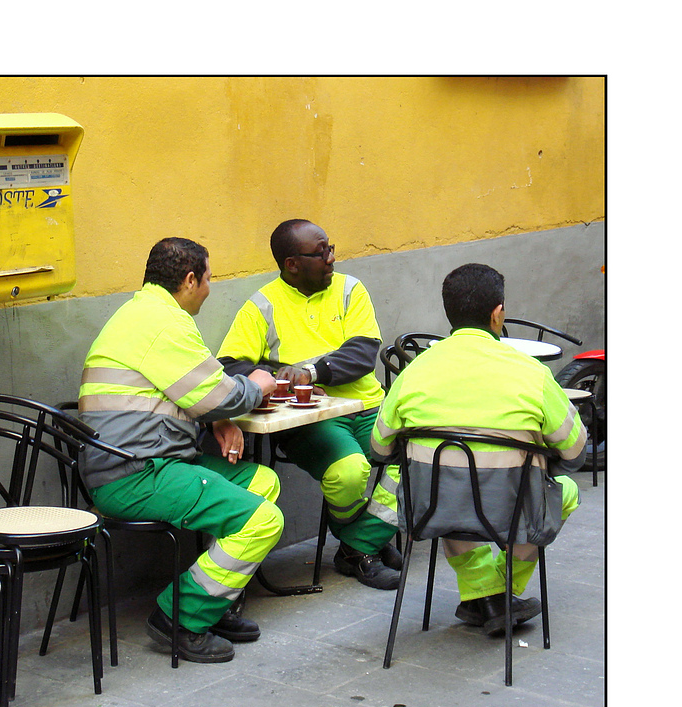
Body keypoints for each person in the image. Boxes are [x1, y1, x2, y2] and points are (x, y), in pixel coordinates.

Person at [78, 237, 283, 663]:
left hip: (149, 461)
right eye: (209, 279)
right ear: (190, 280)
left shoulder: (147, 313)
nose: (210, 289)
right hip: (136, 474)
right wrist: (258, 385)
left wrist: (218, 419)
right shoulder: (163, 324)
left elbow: (187, 392)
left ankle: (214, 602)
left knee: (262, 481)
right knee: (263, 521)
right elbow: (217, 393)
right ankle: (180, 617)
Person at [369, 263, 587, 635]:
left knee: (447, 487)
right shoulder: (532, 373)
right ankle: (502, 592)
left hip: (430, 510)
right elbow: (575, 452)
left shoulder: (415, 372)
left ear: (449, 312)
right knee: (565, 492)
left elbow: (379, 446)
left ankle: (483, 593)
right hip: (513, 511)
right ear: (497, 313)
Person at [217, 219, 403, 590]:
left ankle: (359, 543)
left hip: (367, 406)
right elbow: (230, 364)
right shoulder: (262, 305)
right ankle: (367, 543)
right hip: (309, 420)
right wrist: (274, 376)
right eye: (321, 253)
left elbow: (364, 353)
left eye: (330, 248)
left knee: (412, 461)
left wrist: (311, 372)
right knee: (349, 473)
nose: (332, 258)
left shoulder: (351, 289)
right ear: (292, 264)